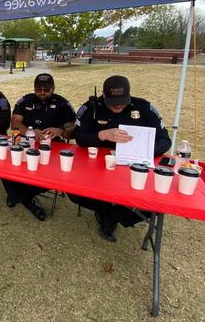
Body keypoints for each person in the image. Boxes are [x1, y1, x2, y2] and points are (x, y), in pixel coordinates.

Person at [72, 75, 172, 242]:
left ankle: (111, 216)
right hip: (98, 167)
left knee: (151, 204)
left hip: (134, 166)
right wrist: (102, 135)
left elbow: (164, 140)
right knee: (75, 191)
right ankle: (105, 210)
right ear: (103, 95)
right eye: (112, 100)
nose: (118, 104)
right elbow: (80, 137)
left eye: (122, 100)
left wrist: (142, 150)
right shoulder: (91, 108)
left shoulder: (144, 108)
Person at [2, 73, 76, 221]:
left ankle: (20, 196)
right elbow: (15, 123)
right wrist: (29, 132)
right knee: (5, 164)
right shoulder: (25, 100)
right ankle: (25, 197)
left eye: (46, 89)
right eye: (38, 89)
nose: (42, 92)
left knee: (53, 175)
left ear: (53, 88)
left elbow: (74, 130)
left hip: (53, 148)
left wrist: (60, 130)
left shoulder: (62, 104)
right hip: (26, 144)